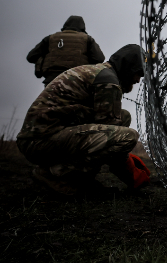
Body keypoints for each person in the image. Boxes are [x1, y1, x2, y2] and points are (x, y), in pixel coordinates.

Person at [16, 44, 146, 195]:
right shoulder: (108, 81)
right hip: (41, 141)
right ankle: (57, 176)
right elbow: (111, 136)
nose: (138, 80)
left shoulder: (99, 72)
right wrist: (131, 171)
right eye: (138, 73)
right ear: (128, 67)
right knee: (129, 136)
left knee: (123, 117)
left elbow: (109, 125)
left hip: (41, 137)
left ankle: (76, 178)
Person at [26, 16, 105, 86]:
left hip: (52, 80)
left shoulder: (51, 38)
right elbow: (99, 58)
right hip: (77, 79)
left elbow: (31, 57)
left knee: (51, 102)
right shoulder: (87, 39)